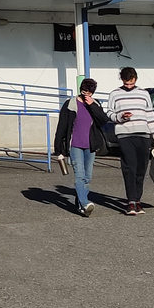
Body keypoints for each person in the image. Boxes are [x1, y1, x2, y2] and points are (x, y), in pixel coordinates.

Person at [106, 66, 154, 215]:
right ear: (121, 79)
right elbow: (109, 113)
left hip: (143, 135)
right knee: (130, 167)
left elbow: (150, 116)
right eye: (126, 84)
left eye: (131, 84)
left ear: (136, 79)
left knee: (141, 168)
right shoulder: (114, 94)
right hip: (125, 135)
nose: (129, 86)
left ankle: (137, 200)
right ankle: (131, 201)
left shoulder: (144, 94)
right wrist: (120, 117)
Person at [53, 78, 109, 217]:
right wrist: (58, 149)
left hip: (90, 146)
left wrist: (93, 106)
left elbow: (103, 120)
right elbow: (62, 127)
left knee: (87, 177)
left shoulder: (95, 104)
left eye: (89, 92)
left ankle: (81, 207)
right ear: (80, 89)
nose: (86, 94)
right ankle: (85, 203)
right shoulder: (70, 104)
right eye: (84, 91)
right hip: (75, 145)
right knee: (80, 175)